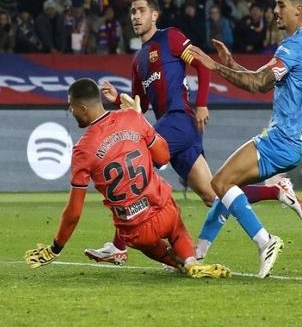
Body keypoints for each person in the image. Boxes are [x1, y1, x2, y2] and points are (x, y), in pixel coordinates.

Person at [85, 0, 302, 267]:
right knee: (214, 194)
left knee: (131, 166)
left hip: (179, 120)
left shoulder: (171, 38)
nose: (135, 16)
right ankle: (276, 193)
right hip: (171, 128)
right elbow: (140, 106)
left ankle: (118, 246)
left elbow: (201, 64)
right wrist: (117, 99)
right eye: (132, 12)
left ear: (154, 15)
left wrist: (201, 104)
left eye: (141, 11)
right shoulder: (138, 61)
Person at [24, 78, 231, 279]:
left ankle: (179, 263)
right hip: (164, 210)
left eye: (72, 107)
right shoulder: (132, 117)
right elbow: (163, 156)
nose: (71, 111)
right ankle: (191, 261)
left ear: (83, 109)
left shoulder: (82, 150)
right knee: (176, 227)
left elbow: (74, 212)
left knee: (146, 243)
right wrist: (142, 120)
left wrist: (56, 248)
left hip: (135, 230)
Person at [188, 0, 302, 278]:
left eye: (281, 5)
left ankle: (265, 240)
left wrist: (213, 66)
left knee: (219, 183)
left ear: (298, 10)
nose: (275, 10)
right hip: (291, 141)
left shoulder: (293, 46)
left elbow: (258, 84)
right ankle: (197, 254)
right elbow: (262, 79)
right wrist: (232, 63)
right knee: (227, 189)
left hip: (280, 139)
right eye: (275, 4)